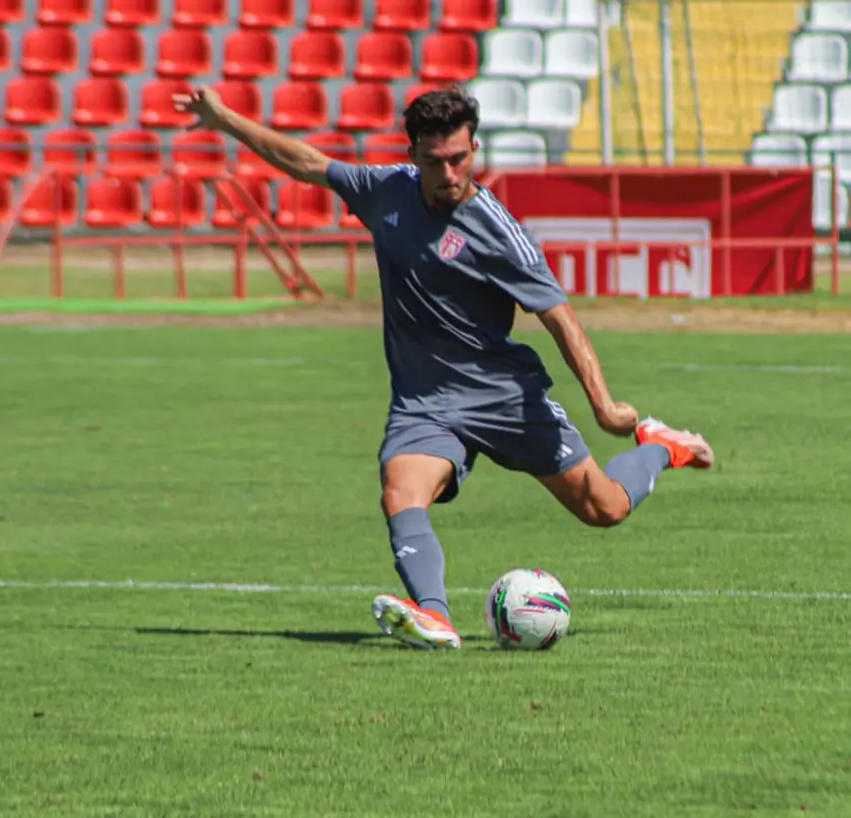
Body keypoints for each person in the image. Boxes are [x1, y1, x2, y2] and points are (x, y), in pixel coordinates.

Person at [172, 84, 714, 650]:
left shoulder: (499, 233)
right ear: (414, 156)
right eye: (435, 161)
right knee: (399, 492)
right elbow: (305, 162)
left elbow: (560, 318)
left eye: (460, 158)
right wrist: (223, 118)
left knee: (604, 508)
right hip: (425, 404)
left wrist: (604, 405)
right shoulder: (385, 192)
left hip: (505, 397)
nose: (450, 172)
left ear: (474, 150)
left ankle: (662, 445)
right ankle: (434, 616)